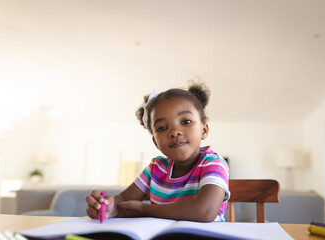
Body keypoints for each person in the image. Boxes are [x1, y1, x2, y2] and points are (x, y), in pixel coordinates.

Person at [85, 82, 230, 222]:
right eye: (161, 128)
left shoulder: (214, 164)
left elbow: (204, 211)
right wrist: (108, 206)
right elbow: (123, 200)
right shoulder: (156, 168)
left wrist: (145, 210)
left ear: (204, 130)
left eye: (186, 121)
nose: (174, 132)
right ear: (155, 142)